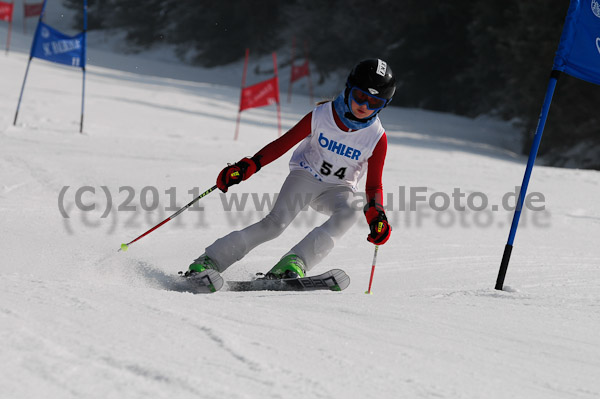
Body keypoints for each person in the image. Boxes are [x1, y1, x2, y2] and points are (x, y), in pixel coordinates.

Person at [188, 58, 395, 279]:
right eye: (360, 96)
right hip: (305, 176)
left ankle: (295, 262)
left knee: (351, 212)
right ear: (349, 89)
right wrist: (249, 165)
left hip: (338, 189)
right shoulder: (322, 116)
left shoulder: (376, 137)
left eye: (374, 102)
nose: (364, 106)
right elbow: (282, 144)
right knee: (275, 225)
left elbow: (374, 184)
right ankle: (210, 260)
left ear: (383, 106)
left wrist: (377, 214)